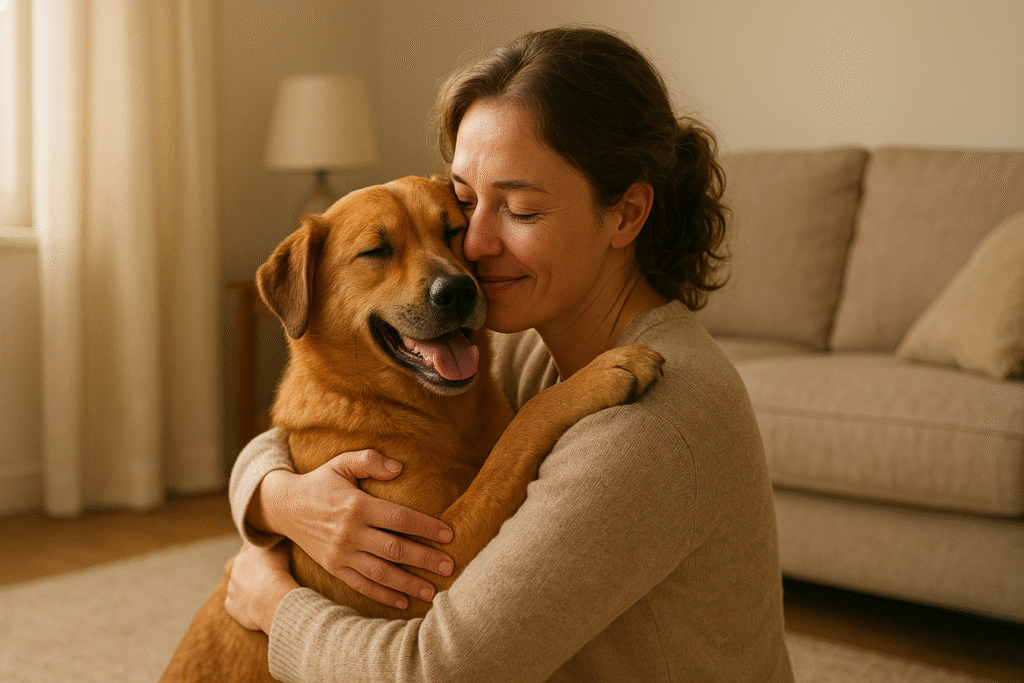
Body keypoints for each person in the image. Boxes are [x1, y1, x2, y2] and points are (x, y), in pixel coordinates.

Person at [224, 26, 795, 683]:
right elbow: (313, 429)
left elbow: (438, 671)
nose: (472, 248)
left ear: (626, 213)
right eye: (466, 205)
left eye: (520, 210)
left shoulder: (649, 424)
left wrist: (272, 603)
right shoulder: (525, 348)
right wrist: (275, 497)